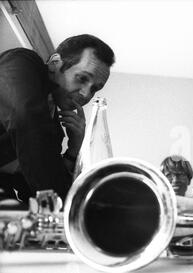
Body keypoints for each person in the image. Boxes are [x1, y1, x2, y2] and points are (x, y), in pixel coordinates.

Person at [0, 34, 115, 202]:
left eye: (94, 89)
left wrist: (74, 149)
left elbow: (31, 186)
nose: (86, 94)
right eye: (82, 78)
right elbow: (27, 120)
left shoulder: (55, 130)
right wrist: (65, 208)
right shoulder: (22, 62)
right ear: (55, 62)